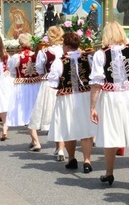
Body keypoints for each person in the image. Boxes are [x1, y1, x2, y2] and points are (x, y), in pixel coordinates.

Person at [90, 21, 129, 190]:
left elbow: (96, 82)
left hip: (111, 96)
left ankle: (109, 173)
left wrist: (92, 107)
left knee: (111, 135)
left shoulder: (100, 54)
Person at [47, 32, 96, 172]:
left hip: (67, 97)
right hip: (86, 95)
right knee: (86, 129)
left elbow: (53, 81)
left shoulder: (59, 61)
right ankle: (87, 160)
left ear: (67, 46)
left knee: (69, 127)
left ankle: (72, 158)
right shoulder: (88, 58)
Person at [30, 26, 66, 158]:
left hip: (48, 84)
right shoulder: (64, 51)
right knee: (59, 115)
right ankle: (60, 148)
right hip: (62, 84)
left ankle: (58, 147)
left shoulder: (44, 52)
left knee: (50, 114)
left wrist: (44, 77)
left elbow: (39, 70)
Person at [5, 33, 42, 140]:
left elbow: (11, 70)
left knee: (25, 109)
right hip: (35, 84)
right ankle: (34, 138)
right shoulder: (36, 55)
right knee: (33, 109)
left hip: (22, 86)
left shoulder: (16, 57)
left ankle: (35, 140)